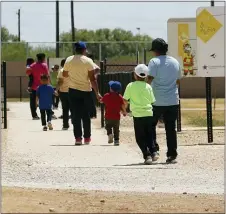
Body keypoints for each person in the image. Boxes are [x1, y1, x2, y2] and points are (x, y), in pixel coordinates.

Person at [147, 38, 181, 164]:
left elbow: (149, 79)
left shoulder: (154, 62)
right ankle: (172, 154)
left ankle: (154, 150)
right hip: (172, 99)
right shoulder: (175, 62)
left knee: (151, 126)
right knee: (171, 128)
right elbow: (178, 81)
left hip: (156, 100)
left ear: (155, 50)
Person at [63, 41, 102, 145]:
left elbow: (65, 74)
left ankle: (78, 138)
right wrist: (97, 93)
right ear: (84, 50)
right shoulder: (88, 61)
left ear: (75, 50)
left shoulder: (69, 60)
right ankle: (87, 138)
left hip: (73, 90)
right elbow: (92, 79)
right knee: (85, 115)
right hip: (86, 91)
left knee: (75, 115)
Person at [123, 64, 158, 165]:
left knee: (139, 137)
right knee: (149, 134)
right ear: (146, 76)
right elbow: (152, 101)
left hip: (138, 115)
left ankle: (146, 155)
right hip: (148, 113)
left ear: (135, 75)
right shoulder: (148, 86)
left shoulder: (130, 86)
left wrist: (124, 110)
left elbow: (125, 100)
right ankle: (154, 152)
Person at [101, 81, 126, 146]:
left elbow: (101, 101)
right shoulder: (119, 97)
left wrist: (100, 99)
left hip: (108, 116)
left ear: (111, 89)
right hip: (116, 117)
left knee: (108, 126)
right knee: (116, 129)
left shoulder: (106, 95)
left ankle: (109, 134)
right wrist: (124, 111)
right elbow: (123, 105)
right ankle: (116, 140)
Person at [26, 53, 49, 120]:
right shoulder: (44, 65)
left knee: (33, 101)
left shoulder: (32, 65)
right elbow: (47, 75)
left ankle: (34, 115)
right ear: (43, 58)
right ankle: (47, 113)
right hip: (43, 86)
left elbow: (28, 73)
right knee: (45, 100)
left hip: (33, 86)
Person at [56, 59, 71, 130]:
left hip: (63, 92)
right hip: (72, 91)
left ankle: (65, 125)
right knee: (74, 108)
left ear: (62, 64)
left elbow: (60, 82)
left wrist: (56, 90)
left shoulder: (61, 71)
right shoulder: (72, 70)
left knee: (65, 109)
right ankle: (75, 122)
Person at [87, 53, 100, 119]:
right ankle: (92, 114)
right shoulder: (89, 63)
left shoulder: (91, 63)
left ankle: (93, 114)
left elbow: (98, 69)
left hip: (92, 84)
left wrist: (92, 74)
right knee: (90, 101)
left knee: (91, 101)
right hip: (90, 84)